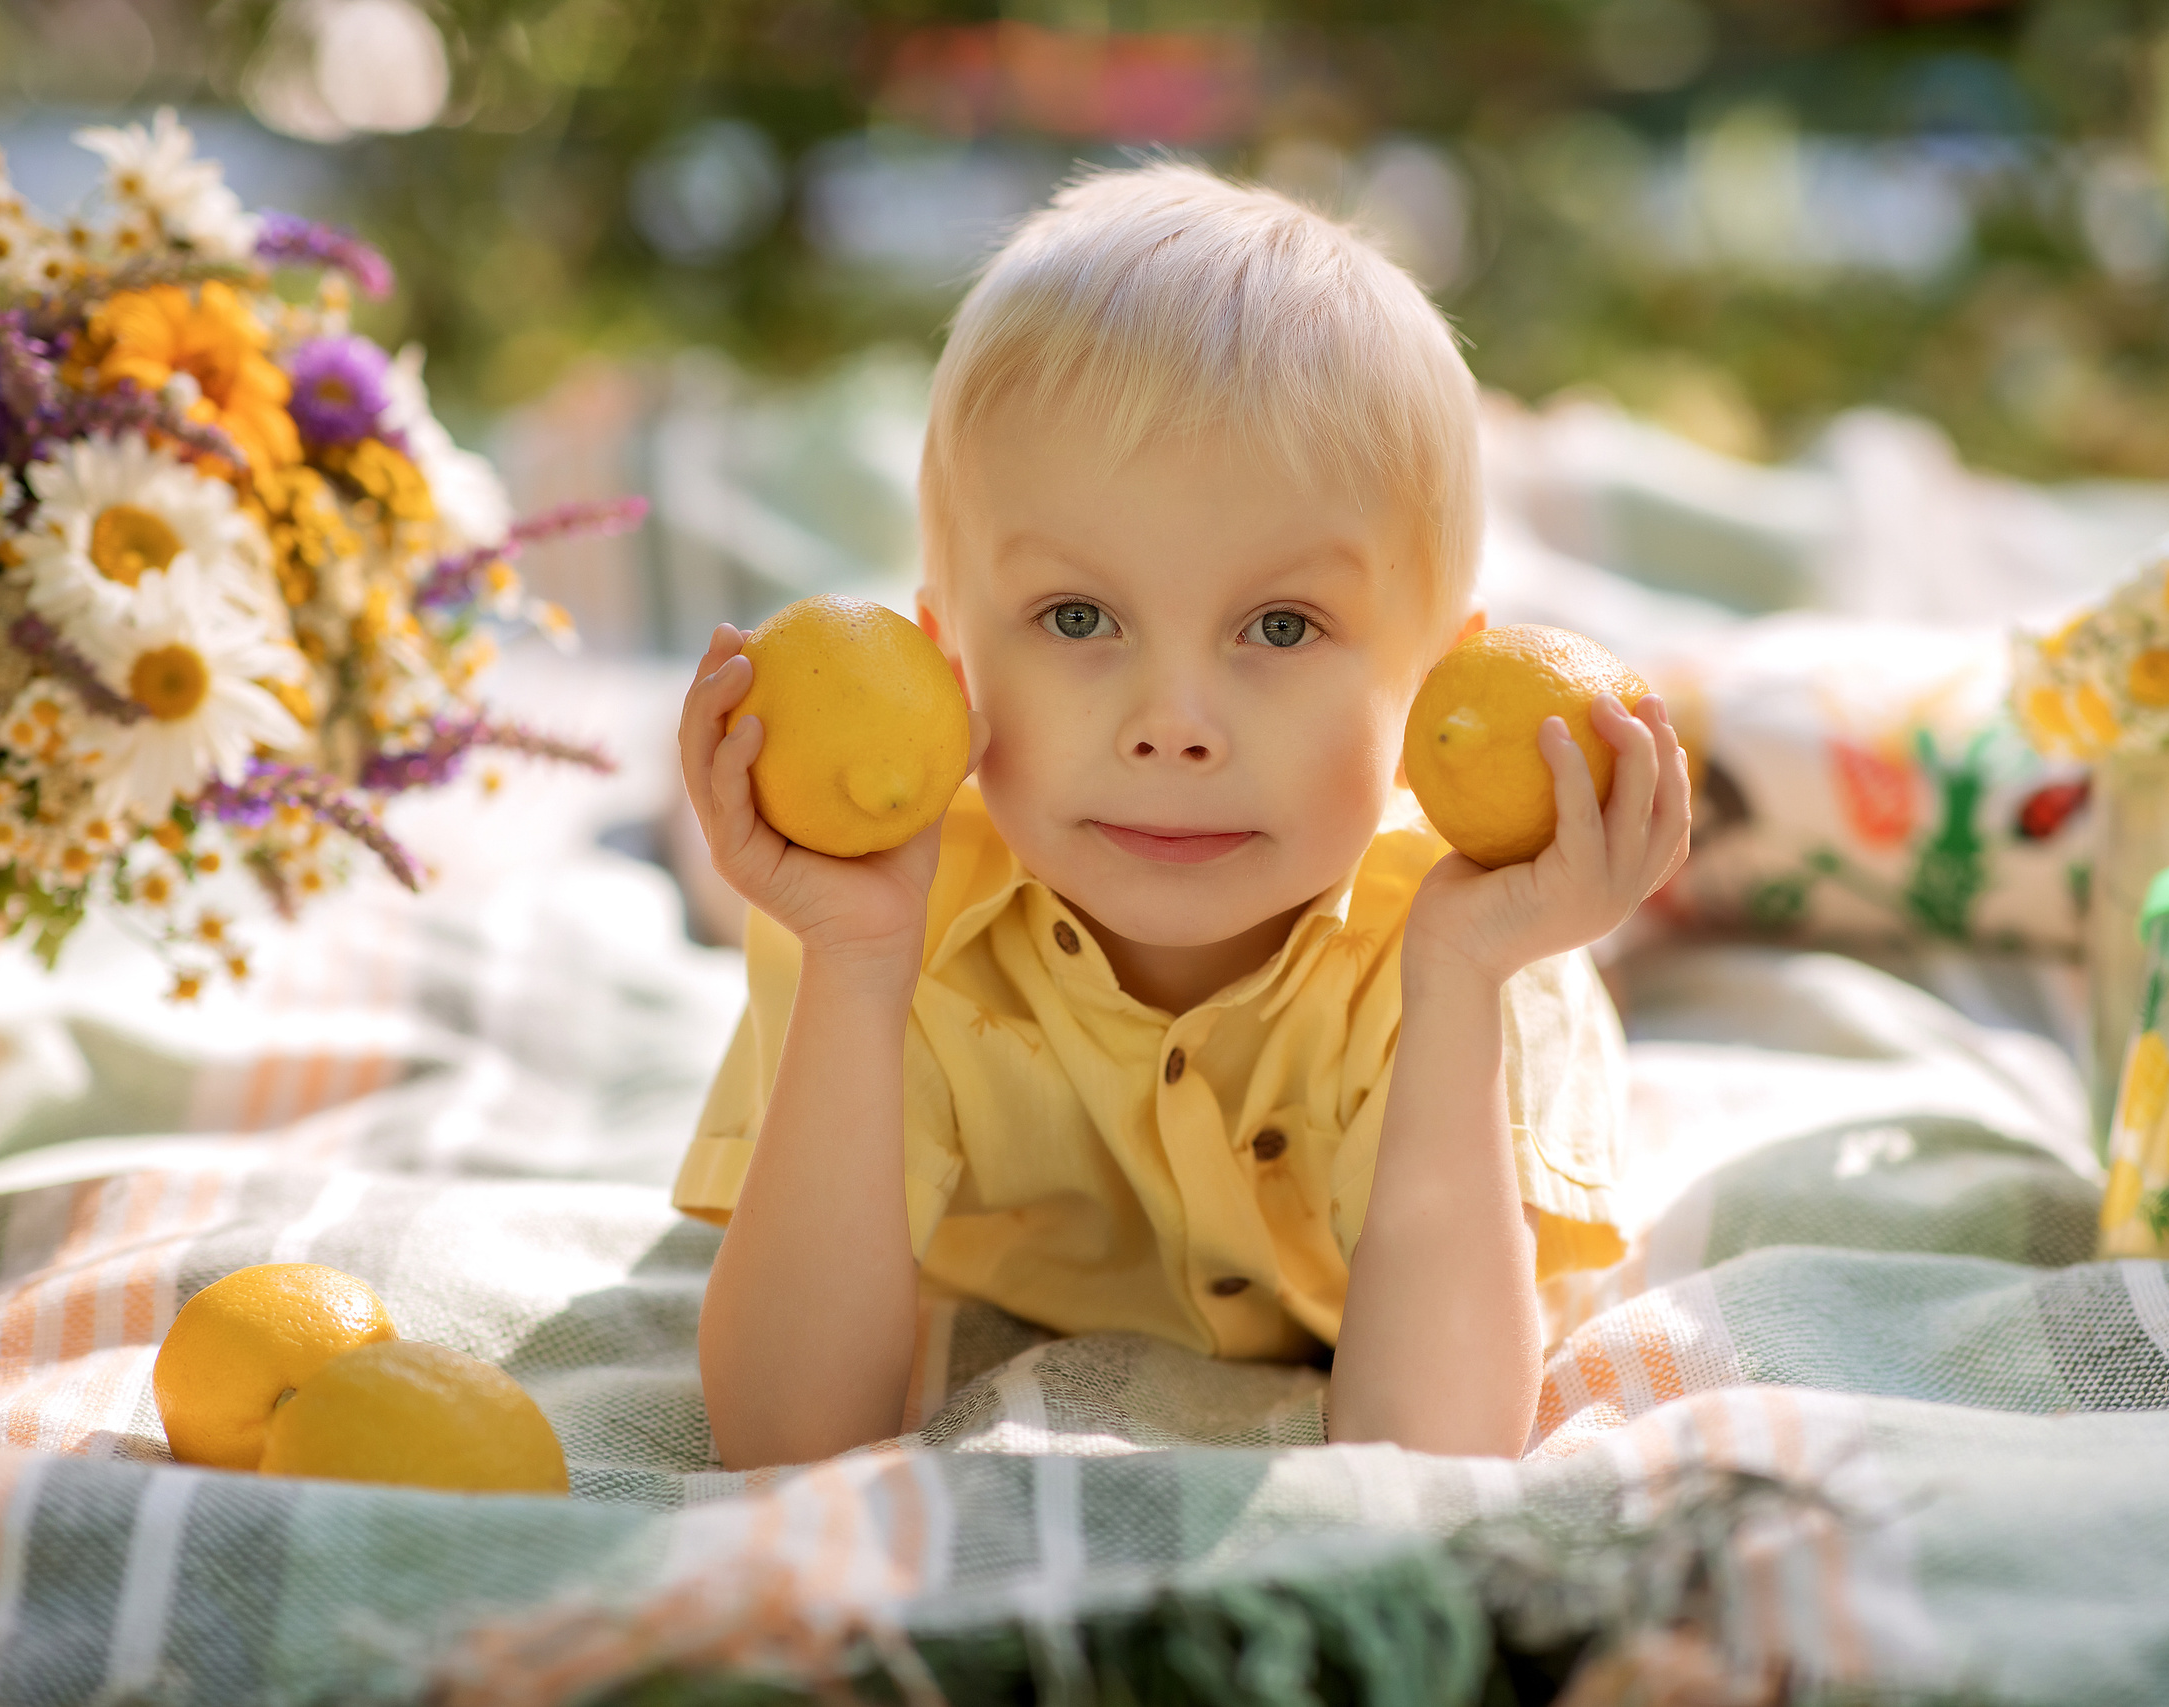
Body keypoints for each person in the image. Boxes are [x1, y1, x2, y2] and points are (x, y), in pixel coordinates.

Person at [674, 163, 1691, 1469]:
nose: (1174, 724)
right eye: (1077, 616)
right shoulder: (878, 924)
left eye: (1282, 626)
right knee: (715, 862)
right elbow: (787, 1439)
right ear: (946, 657)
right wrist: (856, 968)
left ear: (1435, 679)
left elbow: (1432, 1456)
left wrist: (1459, 982)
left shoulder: (1481, 959)